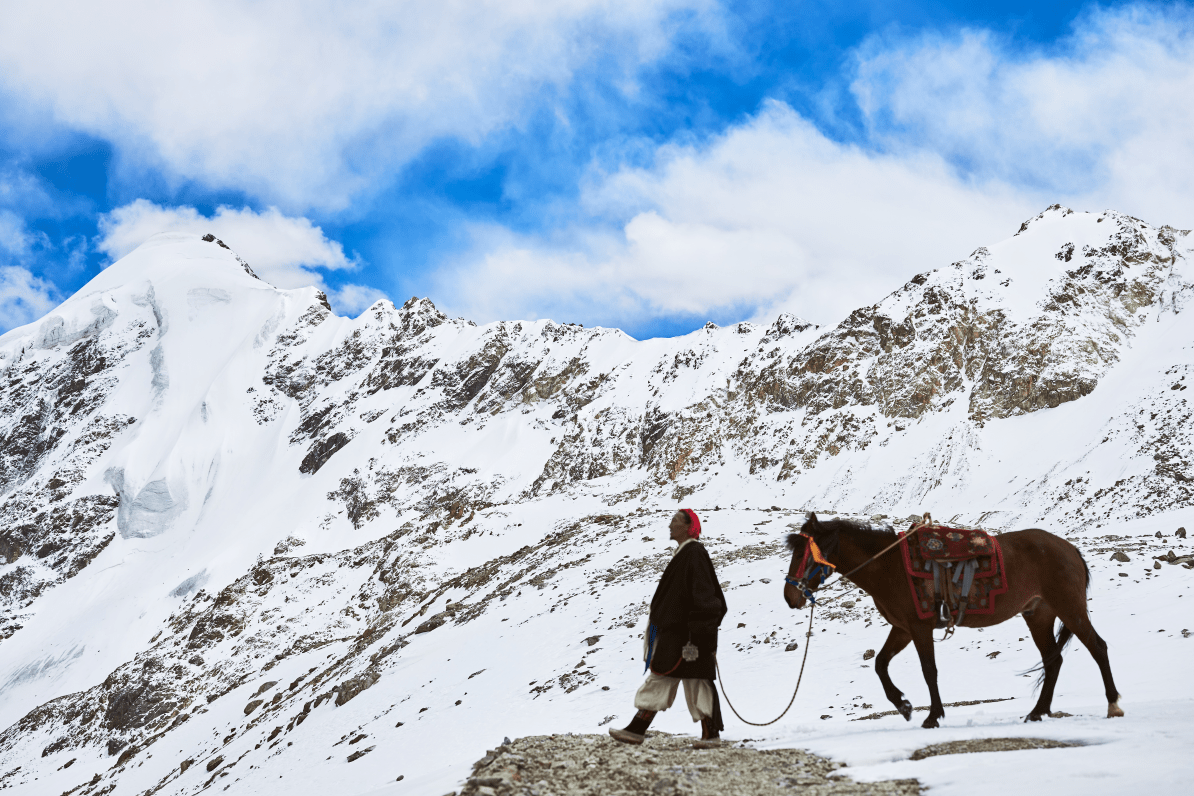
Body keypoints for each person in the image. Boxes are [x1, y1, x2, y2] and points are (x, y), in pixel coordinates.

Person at [608, 509, 728, 747]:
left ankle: (642, 729)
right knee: (673, 677)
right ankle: (640, 729)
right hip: (679, 635)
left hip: (687, 637)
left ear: (688, 526)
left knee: (690, 680)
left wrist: (697, 636)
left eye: (674, 521)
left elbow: (704, 597)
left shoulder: (694, 553)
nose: (669, 525)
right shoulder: (686, 554)